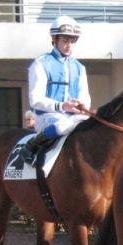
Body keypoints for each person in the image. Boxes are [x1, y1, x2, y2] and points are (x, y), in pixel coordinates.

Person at [21, 15, 91, 164]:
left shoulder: (79, 67)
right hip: (45, 117)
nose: (69, 45)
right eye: (65, 40)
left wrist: (81, 105)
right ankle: (33, 143)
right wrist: (62, 106)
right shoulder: (40, 64)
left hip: (73, 118)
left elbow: (85, 96)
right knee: (65, 124)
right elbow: (35, 99)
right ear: (55, 39)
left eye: (72, 41)